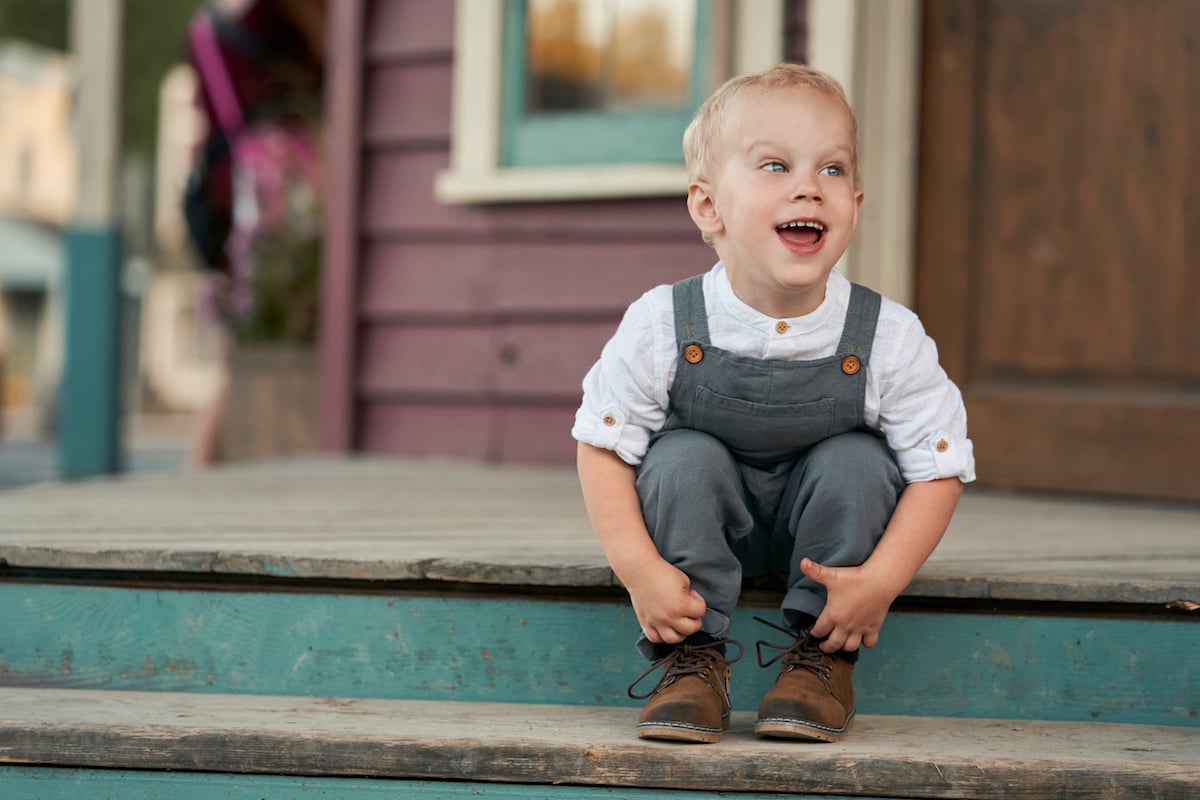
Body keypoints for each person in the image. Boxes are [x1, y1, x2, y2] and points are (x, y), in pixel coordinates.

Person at [573, 63, 975, 744]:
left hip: (826, 540)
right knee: (679, 457)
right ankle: (693, 660)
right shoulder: (663, 322)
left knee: (858, 460)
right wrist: (639, 571)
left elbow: (939, 465)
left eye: (832, 170)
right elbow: (603, 446)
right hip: (700, 528)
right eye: (774, 166)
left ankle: (823, 658)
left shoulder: (887, 335)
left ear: (856, 203)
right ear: (708, 207)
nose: (807, 189)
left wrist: (879, 581)